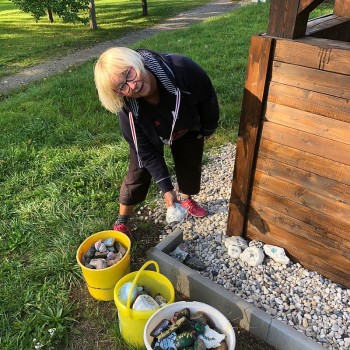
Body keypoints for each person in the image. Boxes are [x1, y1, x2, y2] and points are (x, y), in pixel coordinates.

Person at [94, 47, 219, 237]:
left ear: (136, 61)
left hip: (184, 123)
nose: (132, 86)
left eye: (129, 74)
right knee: (139, 169)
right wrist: (166, 190)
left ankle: (186, 198)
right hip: (151, 130)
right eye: (121, 87)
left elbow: (207, 98)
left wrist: (207, 128)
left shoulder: (183, 69)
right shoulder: (127, 107)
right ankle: (123, 218)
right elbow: (146, 152)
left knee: (190, 159)